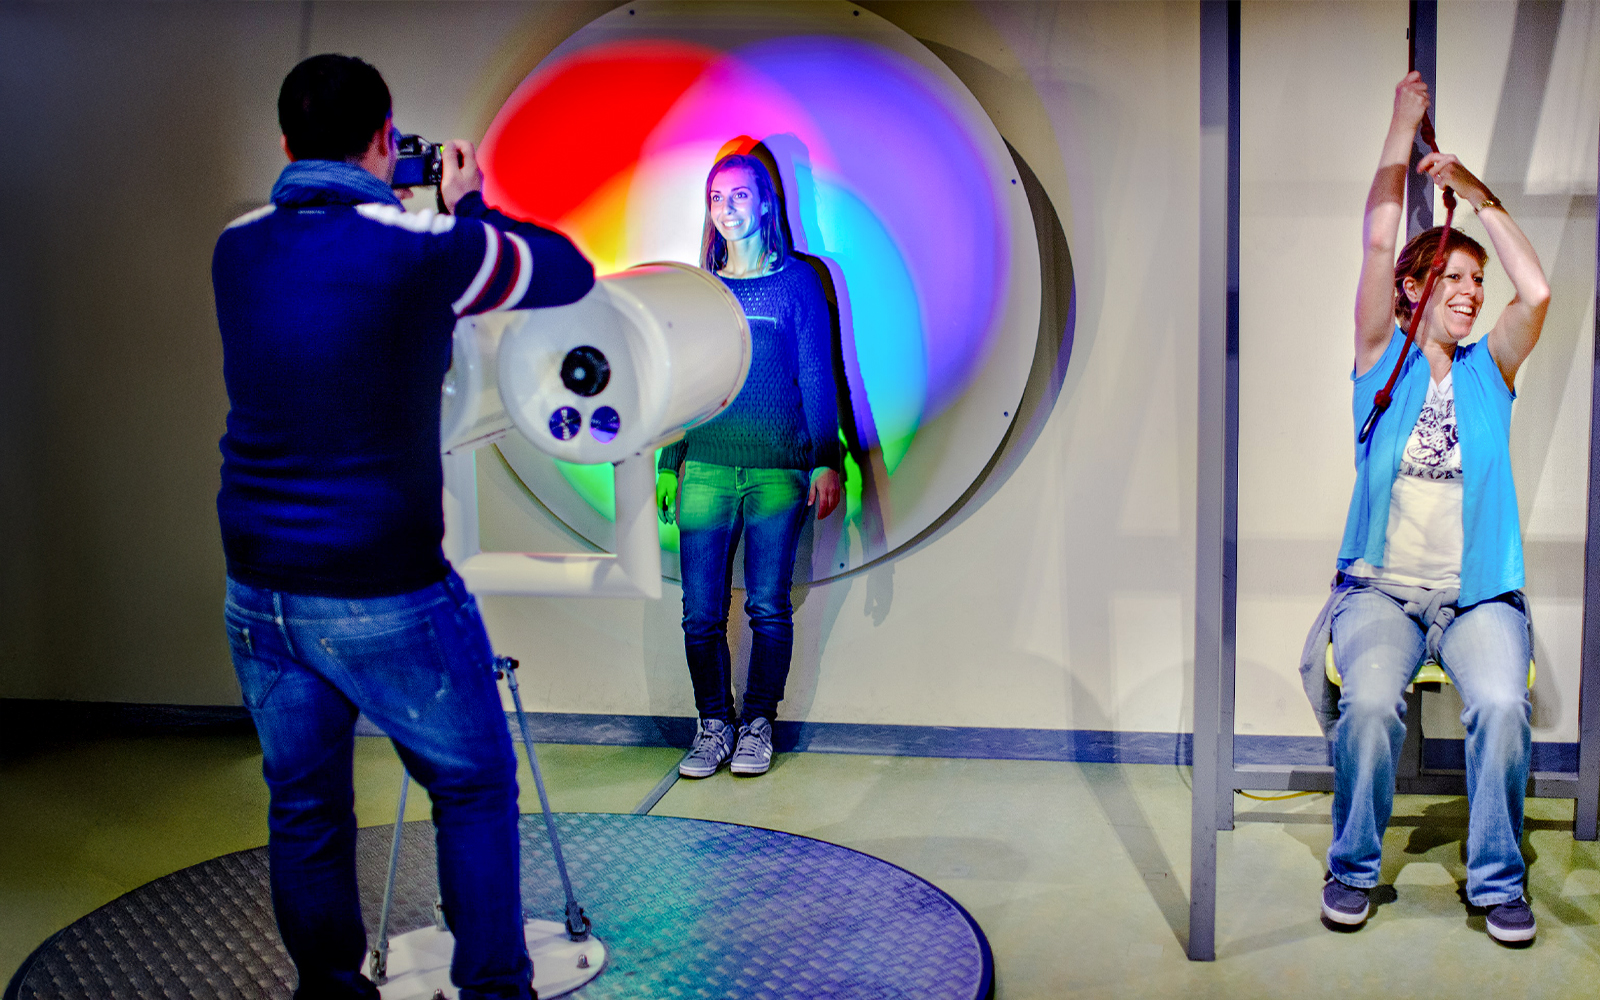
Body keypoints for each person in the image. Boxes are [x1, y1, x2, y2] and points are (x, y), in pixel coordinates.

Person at [212, 54, 594, 999]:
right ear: (387, 140)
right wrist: (464, 203)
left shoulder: (236, 247)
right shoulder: (418, 251)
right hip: (384, 589)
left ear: (285, 142)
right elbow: (565, 271)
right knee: (470, 787)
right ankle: (495, 989)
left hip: (258, 591)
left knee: (305, 809)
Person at [1304, 71, 1551, 943]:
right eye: (1451, 275)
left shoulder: (1491, 368)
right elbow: (1376, 247)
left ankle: (1495, 881)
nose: (1472, 290)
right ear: (1414, 292)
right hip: (1383, 591)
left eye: (1474, 280)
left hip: (1478, 594)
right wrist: (1401, 126)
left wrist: (1477, 196)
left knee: (1502, 701)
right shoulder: (1383, 359)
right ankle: (1353, 870)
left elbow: (1540, 291)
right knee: (1368, 704)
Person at [655, 152, 842, 779]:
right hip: (704, 464)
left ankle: (758, 724)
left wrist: (825, 460)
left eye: (738, 196)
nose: (726, 209)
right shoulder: (700, 287)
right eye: (715, 198)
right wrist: (667, 461)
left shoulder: (799, 283)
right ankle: (714, 726)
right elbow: (684, 382)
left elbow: (817, 375)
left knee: (767, 605)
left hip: (777, 471)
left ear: (765, 202)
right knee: (700, 612)